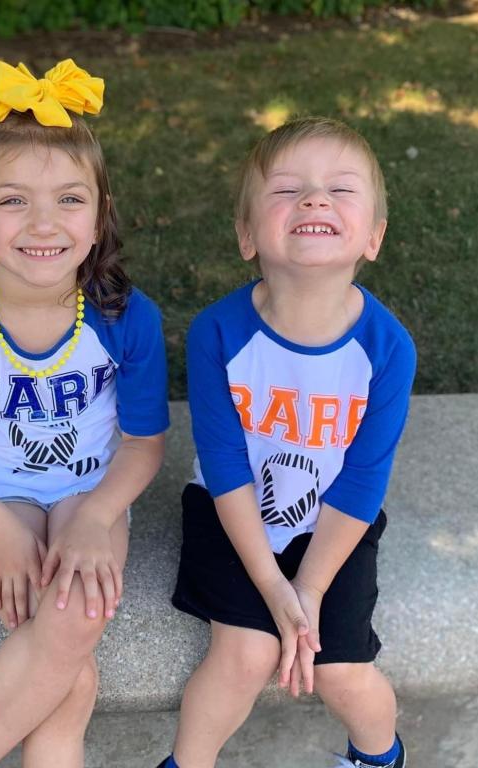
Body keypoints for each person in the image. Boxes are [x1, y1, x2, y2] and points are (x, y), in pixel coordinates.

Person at [0, 59, 170, 768]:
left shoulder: (125, 319)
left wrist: (94, 516)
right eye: (13, 201)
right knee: (58, 643)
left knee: (75, 618)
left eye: (69, 200)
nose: (44, 224)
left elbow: (143, 445)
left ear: (101, 215)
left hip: (91, 490)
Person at [157, 116, 416, 768]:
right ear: (248, 236)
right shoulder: (218, 331)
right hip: (232, 509)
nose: (313, 200)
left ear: (374, 238)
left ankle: (377, 757)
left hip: (333, 523)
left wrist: (309, 588)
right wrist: (273, 588)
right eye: (287, 190)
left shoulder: (386, 349)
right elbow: (223, 466)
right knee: (243, 651)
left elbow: (360, 482)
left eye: (339, 189)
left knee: (338, 670)